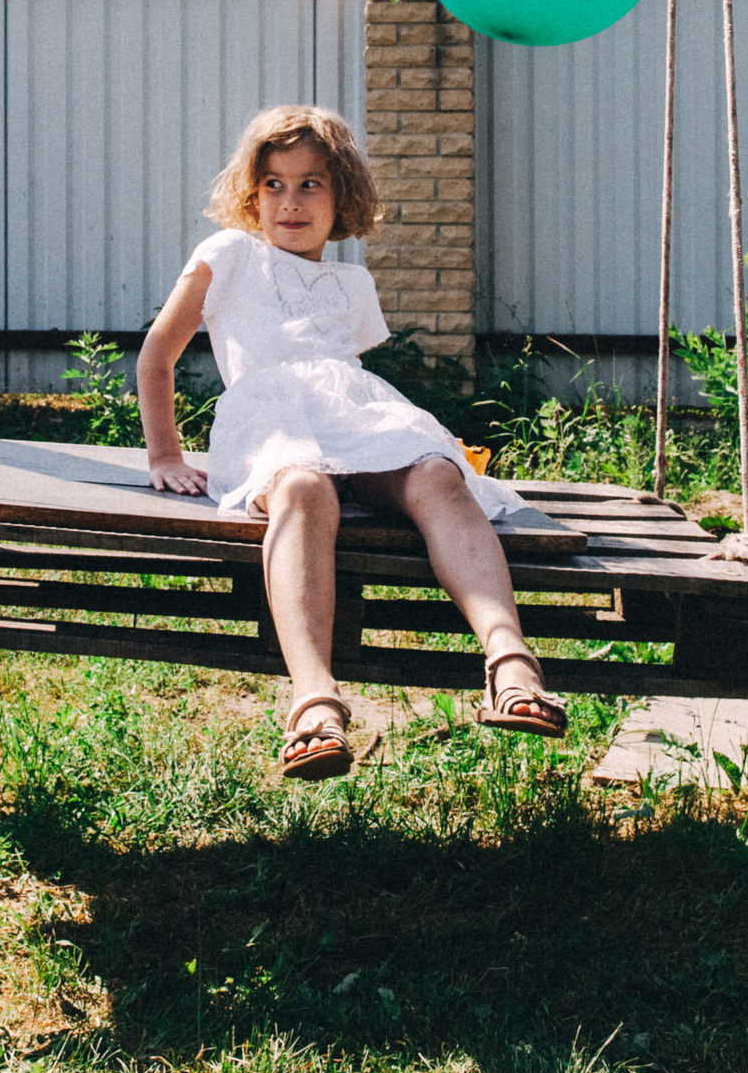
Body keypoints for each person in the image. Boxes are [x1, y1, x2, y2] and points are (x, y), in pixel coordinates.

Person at [139, 105, 566, 780]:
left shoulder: (352, 283)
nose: (290, 200)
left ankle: (510, 662)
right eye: (273, 183)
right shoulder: (230, 254)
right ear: (251, 194)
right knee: (304, 486)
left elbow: (341, 374)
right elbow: (158, 351)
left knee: (435, 475)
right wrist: (164, 453)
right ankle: (314, 698)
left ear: (344, 195)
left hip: (352, 409)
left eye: (312, 183)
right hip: (270, 418)